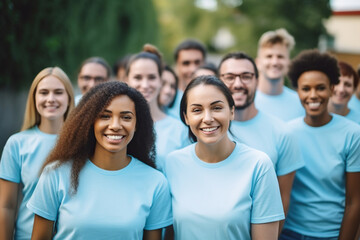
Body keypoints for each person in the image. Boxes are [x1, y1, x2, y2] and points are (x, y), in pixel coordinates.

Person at [27, 81, 172, 240]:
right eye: (105, 116)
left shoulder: (155, 182)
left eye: (126, 117)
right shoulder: (56, 173)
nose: (115, 125)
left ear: (137, 124)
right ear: (90, 121)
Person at [163, 75, 284, 240]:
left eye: (217, 108)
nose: (208, 118)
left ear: (231, 111)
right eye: (197, 110)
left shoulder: (258, 165)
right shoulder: (172, 163)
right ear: (186, 117)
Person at [218, 52, 304, 233]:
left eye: (246, 77)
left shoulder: (283, 133)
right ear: (218, 82)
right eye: (230, 77)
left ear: (257, 80)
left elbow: (282, 199)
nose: (238, 84)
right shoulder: (207, 131)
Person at [280, 50, 360, 240]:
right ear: (297, 91)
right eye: (306, 89)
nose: (313, 95)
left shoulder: (353, 134)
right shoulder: (286, 132)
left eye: (321, 88)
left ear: (332, 89)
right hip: (289, 234)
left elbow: (354, 201)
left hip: (331, 235)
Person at [0, 67, 75, 240]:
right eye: (43, 92)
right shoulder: (17, 144)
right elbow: (6, 206)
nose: (50, 99)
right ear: (34, 98)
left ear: (69, 97)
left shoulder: (83, 144)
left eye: (58, 92)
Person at [126, 44, 189, 172]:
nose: (145, 85)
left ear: (161, 80)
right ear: (127, 80)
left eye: (152, 77)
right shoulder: (116, 126)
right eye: (138, 77)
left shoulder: (179, 130)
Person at [255, 28, 304, 121]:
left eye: (280, 56)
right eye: (269, 56)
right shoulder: (245, 102)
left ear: (288, 63)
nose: (275, 62)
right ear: (258, 63)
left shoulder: (301, 103)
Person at [167, 39, 207, 119]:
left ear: (205, 64)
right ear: (176, 66)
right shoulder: (167, 99)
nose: (193, 69)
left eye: (197, 62)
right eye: (186, 63)